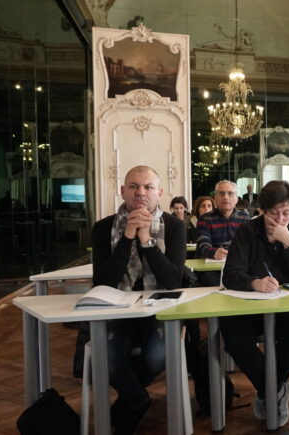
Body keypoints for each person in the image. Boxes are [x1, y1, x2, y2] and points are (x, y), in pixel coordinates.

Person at [91, 166, 186, 434]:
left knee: (157, 357)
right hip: (117, 307)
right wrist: (128, 236)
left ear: (159, 193)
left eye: (148, 187)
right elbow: (103, 282)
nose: (140, 193)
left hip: (160, 306)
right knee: (107, 357)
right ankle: (138, 399)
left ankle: (128, 401)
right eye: (133, 186)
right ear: (123, 191)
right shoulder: (103, 228)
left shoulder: (175, 226)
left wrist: (146, 240)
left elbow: (173, 280)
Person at [220, 180, 289, 428]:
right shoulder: (248, 230)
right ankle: (275, 391)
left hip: (287, 306)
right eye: (274, 213)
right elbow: (231, 273)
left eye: (287, 213)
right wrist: (254, 283)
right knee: (234, 337)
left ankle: (268, 392)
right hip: (249, 305)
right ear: (261, 210)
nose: (280, 219)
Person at [196, 180, 251, 286]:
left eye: (230, 193)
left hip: (239, 266)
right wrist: (214, 252)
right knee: (208, 280)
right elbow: (203, 244)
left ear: (236, 199)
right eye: (221, 193)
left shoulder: (245, 218)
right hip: (213, 269)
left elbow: (250, 246)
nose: (226, 197)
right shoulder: (205, 219)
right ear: (215, 198)